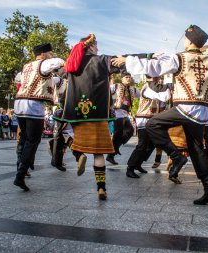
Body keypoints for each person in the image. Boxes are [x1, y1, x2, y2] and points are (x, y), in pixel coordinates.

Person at [112, 24, 208, 205]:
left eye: (185, 38)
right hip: (202, 114)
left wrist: (127, 60)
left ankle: (176, 157)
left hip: (185, 109)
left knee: (153, 125)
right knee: (197, 149)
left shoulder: (179, 59)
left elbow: (156, 67)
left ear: (189, 41)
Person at [55, 33, 119, 200]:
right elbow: (123, 61)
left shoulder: (71, 66)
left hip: (75, 115)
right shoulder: (101, 60)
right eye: (96, 46)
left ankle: (78, 154)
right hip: (98, 116)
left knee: (64, 134)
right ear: (91, 46)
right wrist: (148, 57)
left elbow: (58, 74)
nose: (98, 49)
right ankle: (101, 188)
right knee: (99, 154)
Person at [13, 42, 64, 191]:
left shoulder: (26, 67)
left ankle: (20, 168)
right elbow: (59, 62)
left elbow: (18, 80)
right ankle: (20, 175)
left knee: (23, 138)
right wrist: (65, 64)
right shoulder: (44, 63)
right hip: (33, 105)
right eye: (49, 53)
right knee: (32, 141)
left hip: (19, 103)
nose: (50, 56)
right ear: (42, 54)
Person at [126, 75, 171, 178]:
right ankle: (130, 168)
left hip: (152, 119)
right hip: (144, 119)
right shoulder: (148, 88)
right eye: (158, 77)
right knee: (142, 145)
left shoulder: (154, 87)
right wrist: (169, 87)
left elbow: (163, 103)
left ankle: (138, 163)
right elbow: (164, 97)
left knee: (151, 144)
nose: (160, 79)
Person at [106, 72, 137, 165]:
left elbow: (143, 94)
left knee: (130, 131)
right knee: (117, 133)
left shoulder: (133, 89)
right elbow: (106, 92)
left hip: (125, 113)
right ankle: (111, 154)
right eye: (126, 77)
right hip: (117, 113)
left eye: (129, 77)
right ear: (122, 78)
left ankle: (115, 149)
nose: (128, 78)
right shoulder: (116, 86)